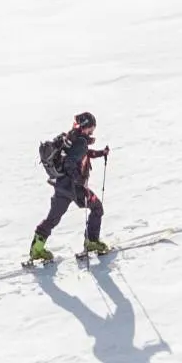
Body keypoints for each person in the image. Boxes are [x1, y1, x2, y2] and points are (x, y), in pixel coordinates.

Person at [28, 111, 112, 262]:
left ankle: (37, 249)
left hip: (62, 186)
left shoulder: (72, 137)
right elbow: (70, 162)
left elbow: (82, 154)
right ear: (86, 127)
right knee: (97, 207)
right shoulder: (80, 142)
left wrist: (101, 153)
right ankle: (91, 242)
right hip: (75, 188)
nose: (93, 130)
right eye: (92, 128)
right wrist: (80, 180)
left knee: (53, 218)